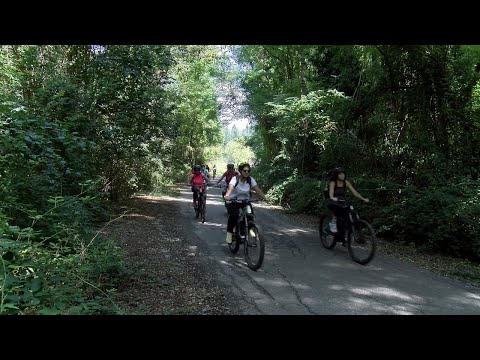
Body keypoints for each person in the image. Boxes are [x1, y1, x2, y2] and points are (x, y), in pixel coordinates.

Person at [223, 163, 267, 244]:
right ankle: (229, 233)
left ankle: (248, 229)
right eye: (245, 170)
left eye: (248, 171)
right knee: (234, 216)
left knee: (250, 215)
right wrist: (227, 196)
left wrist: (265, 197)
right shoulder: (235, 179)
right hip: (234, 200)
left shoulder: (250, 179)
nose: (247, 172)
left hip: (245, 201)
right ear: (240, 171)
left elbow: (258, 190)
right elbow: (230, 189)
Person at [327, 165, 369, 233]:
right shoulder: (333, 182)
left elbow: (355, 192)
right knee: (335, 207)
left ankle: (353, 229)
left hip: (343, 200)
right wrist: (333, 198)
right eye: (340, 174)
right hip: (334, 200)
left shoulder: (346, 182)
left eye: (343, 173)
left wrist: (363, 198)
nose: (342, 175)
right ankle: (333, 222)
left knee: (350, 211)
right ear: (336, 175)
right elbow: (331, 194)